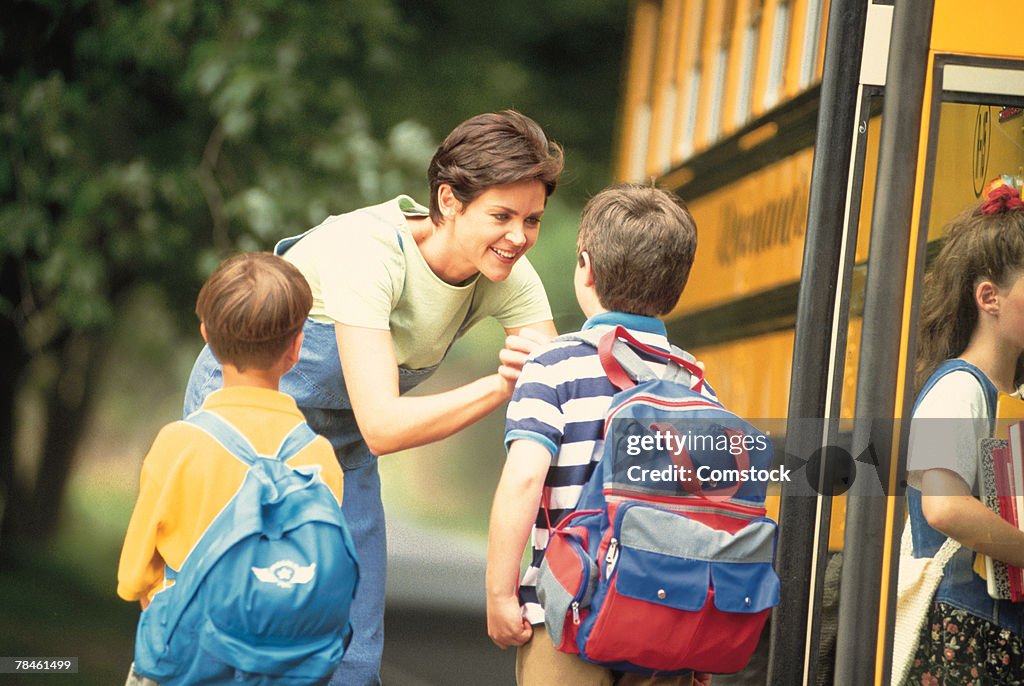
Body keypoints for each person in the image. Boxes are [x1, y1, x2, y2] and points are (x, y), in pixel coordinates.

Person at [183, 110, 563, 685]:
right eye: (502, 215)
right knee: (239, 615)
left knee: (354, 640)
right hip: (242, 420)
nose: (518, 237)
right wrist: (498, 385)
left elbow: (557, 390)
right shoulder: (367, 252)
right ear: (450, 201)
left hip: (343, 444)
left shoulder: (507, 272)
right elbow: (385, 423)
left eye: (531, 219)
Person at [486, 183, 715, 686]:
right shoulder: (697, 382)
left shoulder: (554, 364)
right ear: (676, 286)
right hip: (666, 618)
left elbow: (524, 481)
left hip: (565, 609)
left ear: (585, 268)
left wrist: (501, 595)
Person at [118, 252, 345, 685]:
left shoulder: (178, 444)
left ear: (206, 336)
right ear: (296, 348)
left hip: (185, 659)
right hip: (283, 667)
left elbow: (133, 576)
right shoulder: (319, 456)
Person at [903, 183, 1024, 684]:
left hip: (988, 633)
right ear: (988, 298)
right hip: (963, 631)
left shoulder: (1005, 392)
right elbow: (944, 506)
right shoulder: (958, 387)